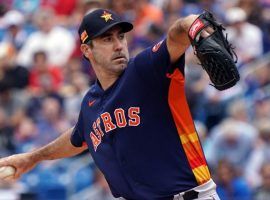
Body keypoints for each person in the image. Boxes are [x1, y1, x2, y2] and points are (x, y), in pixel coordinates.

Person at [0, 8, 221, 199]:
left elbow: (176, 34)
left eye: (121, 37)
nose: (118, 45)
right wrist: (33, 157)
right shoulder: (91, 103)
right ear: (87, 50)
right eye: (107, 39)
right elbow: (80, 136)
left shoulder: (145, 69)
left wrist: (192, 23)